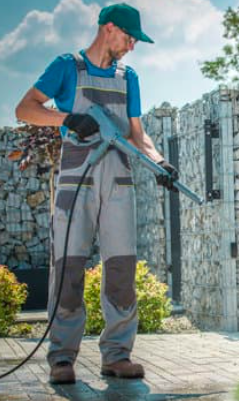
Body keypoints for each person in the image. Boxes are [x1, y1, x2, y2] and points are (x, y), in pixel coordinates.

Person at [15, 2, 178, 384]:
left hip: (118, 180)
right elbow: (26, 109)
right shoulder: (66, 67)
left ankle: (117, 355)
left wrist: (160, 162)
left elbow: (138, 135)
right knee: (68, 267)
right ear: (108, 28)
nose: (132, 46)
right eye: (129, 37)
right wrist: (67, 117)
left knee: (121, 268)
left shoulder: (128, 76)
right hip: (76, 180)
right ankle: (62, 358)